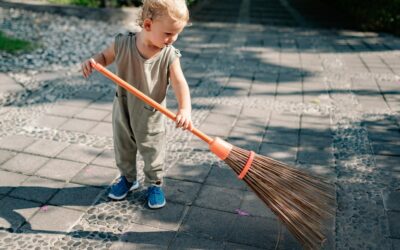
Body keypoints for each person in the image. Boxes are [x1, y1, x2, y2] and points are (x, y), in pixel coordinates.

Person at [81, 0, 192, 209]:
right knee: (123, 146)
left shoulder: (168, 54)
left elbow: (179, 83)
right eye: (168, 33)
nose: (173, 39)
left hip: (151, 113)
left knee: (152, 150)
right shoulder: (123, 44)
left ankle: (154, 183)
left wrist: (184, 109)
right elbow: (104, 57)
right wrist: (93, 62)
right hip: (123, 108)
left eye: (176, 34)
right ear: (148, 25)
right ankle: (128, 179)